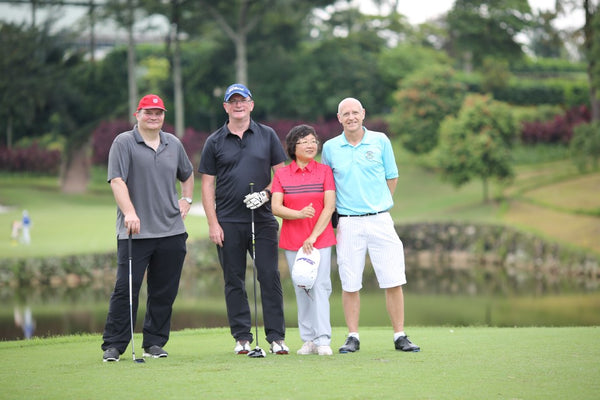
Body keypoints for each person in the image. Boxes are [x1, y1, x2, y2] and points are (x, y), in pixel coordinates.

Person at [321, 97, 420, 353]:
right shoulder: (331, 148)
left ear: (363, 114)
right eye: (346, 113)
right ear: (339, 118)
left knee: (393, 278)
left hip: (380, 219)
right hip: (348, 223)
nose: (351, 117)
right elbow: (328, 187)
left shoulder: (380, 140)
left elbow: (392, 177)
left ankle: (400, 335)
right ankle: (353, 336)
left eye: (355, 112)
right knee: (350, 281)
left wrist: (378, 202)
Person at [101, 94, 194, 362]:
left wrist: (186, 199)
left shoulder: (173, 143)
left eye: (159, 113)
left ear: (164, 116)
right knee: (125, 288)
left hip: (172, 231)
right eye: (148, 112)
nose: (154, 117)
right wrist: (129, 212)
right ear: (137, 114)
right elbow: (117, 180)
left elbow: (187, 174)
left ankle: (154, 342)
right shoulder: (124, 142)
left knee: (164, 290)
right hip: (135, 232)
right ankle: (115, 345)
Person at [198, 83, 289, 355]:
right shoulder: (214, 141)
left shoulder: (267, 135)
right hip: (228, 221)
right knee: (233, 280)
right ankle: (242, 338)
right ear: (225, 106)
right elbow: (207, 186)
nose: (238, 105)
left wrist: (266, 194)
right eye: (233, 101)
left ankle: (276, 338)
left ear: (251, 104)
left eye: (243, 100)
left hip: (262, 220)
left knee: (269, 276)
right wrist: (213, 223)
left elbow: (282, 177)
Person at [271, 125, 336, 356]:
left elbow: (329, 207)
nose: (311, 145)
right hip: (293, 241)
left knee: (320, 286)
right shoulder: (282, 175)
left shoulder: (325, 171)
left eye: (313, 140)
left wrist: (313, 236)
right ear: (293, 147)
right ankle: (308, 339)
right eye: (304, 141)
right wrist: (299, 214)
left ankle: (323, 339)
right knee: (302, 287)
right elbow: (276, 207)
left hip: (320, 238)